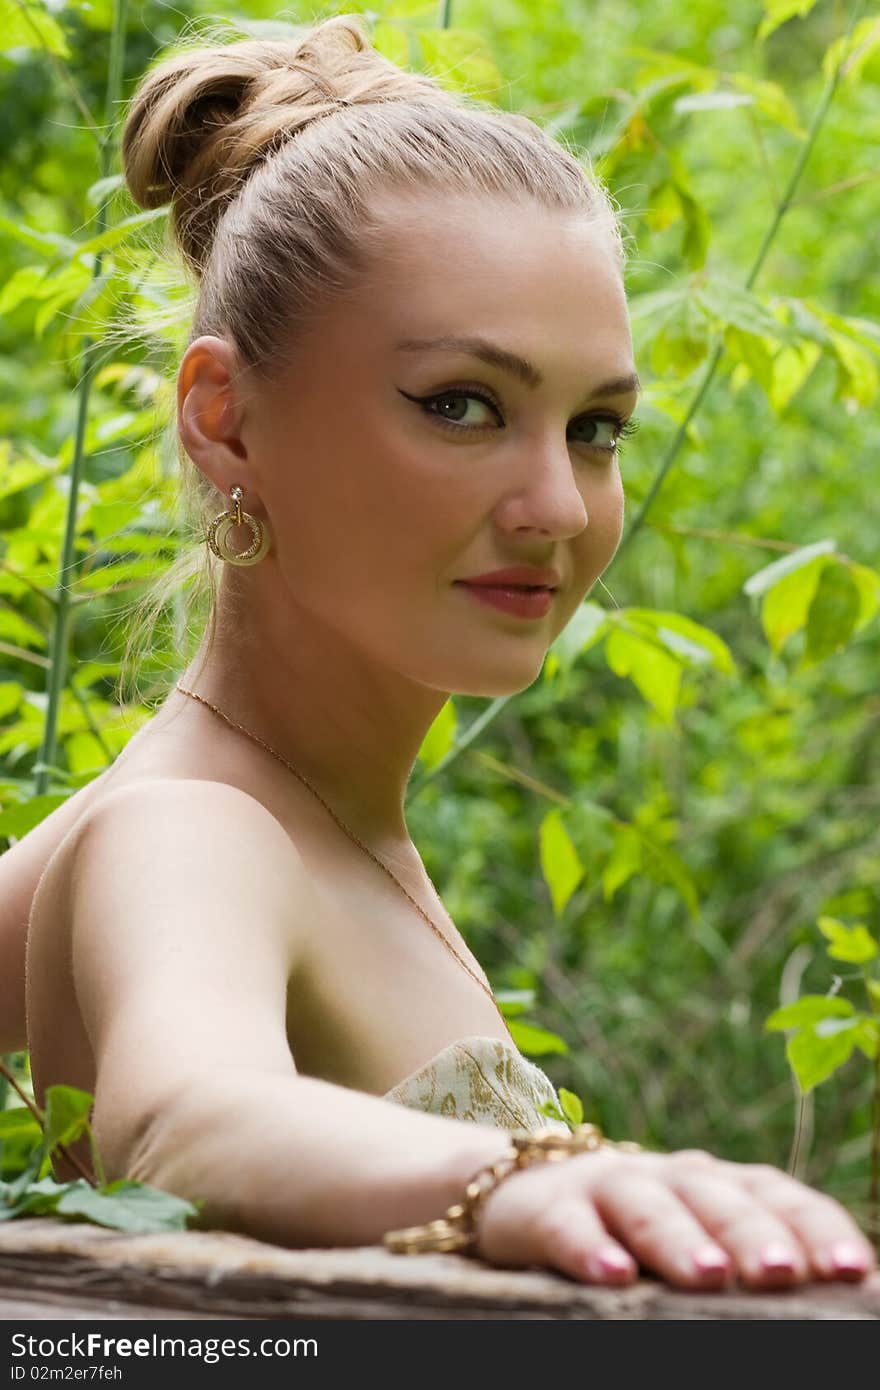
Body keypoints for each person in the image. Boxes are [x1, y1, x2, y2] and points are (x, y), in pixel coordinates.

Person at [8, 14, 876, 1291]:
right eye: (461, 405)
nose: (559, 507)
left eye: (594, 427)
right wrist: (529, 1181)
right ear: (224, 419)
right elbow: (187, 1112)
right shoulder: (195, 829)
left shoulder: (289, 817)